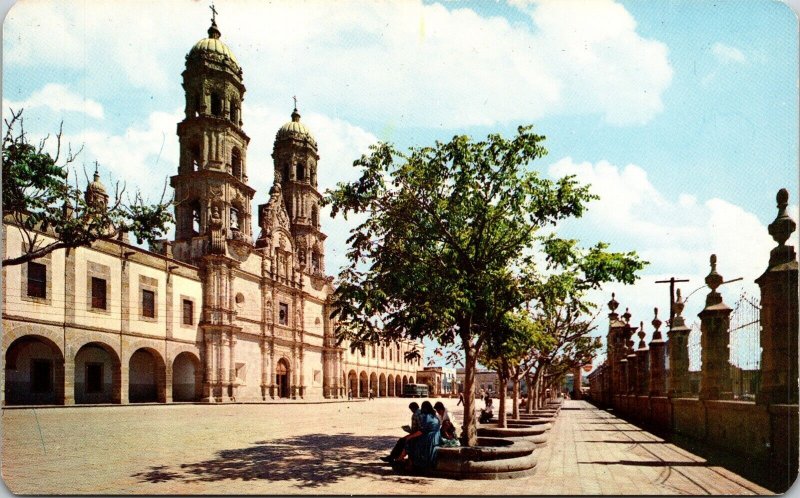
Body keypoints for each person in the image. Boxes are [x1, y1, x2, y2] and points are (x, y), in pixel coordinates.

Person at [403, 401, 441, 471]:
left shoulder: (426, 417)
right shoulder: (435, 416)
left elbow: (421, 431)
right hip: (436, 437)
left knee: (410, 442)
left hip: (428, 438)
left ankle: (411, 463)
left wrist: (410, 436)